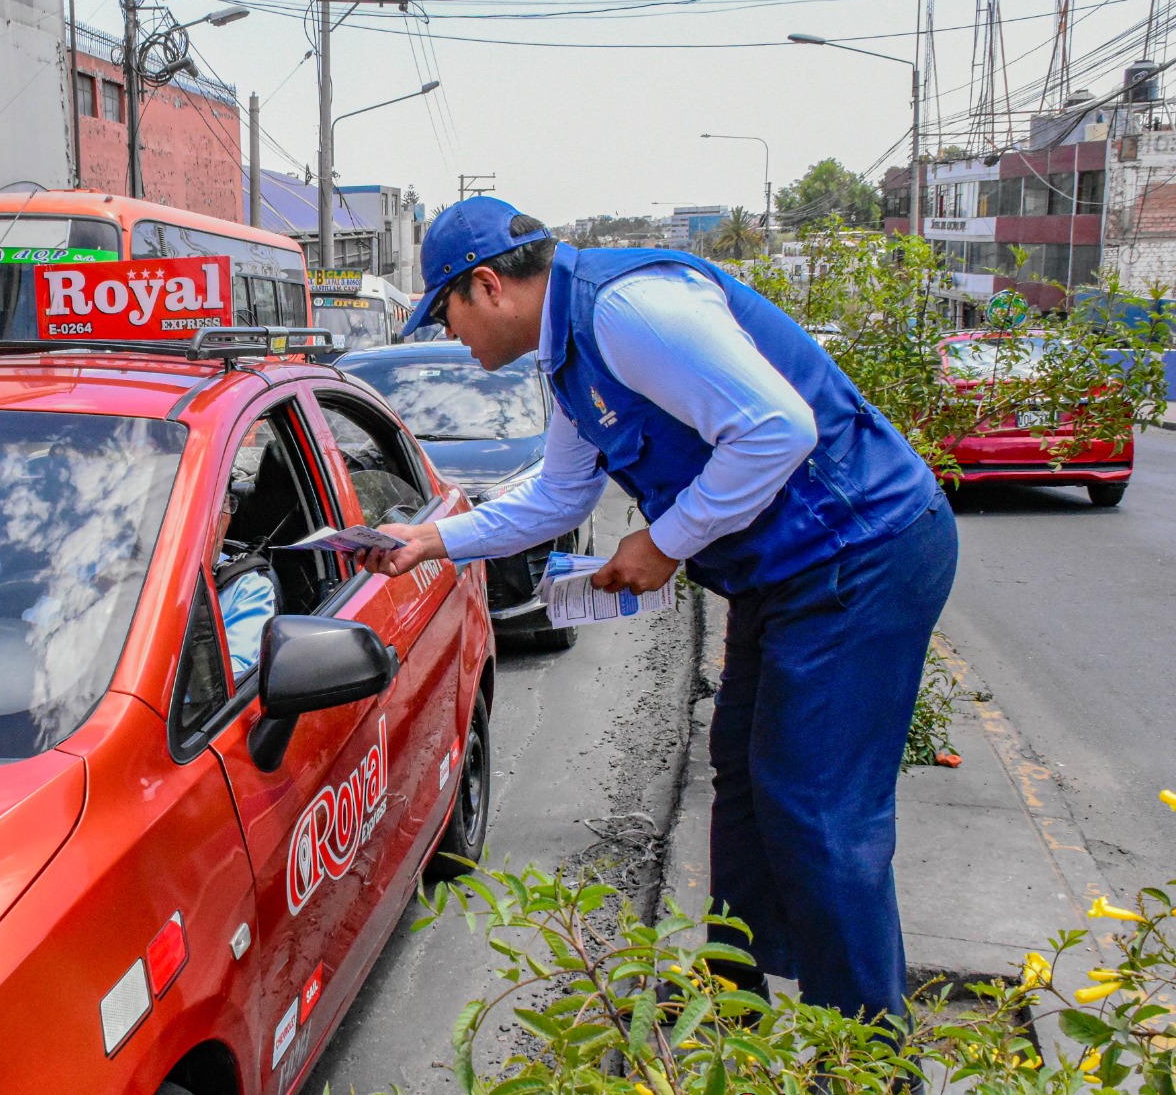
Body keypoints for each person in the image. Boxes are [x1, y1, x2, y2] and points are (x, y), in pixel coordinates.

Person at [362, 196, 958, 1029]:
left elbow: (776, 429)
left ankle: (867, 1061)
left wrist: (666, 541)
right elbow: (559, 495)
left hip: (860, 553)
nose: (448, 335)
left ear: (489, 286)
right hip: (787, 578)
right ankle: (735, 1007)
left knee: (821, 811)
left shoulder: (626, 311)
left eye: (446, 313)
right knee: (746, 779)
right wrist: (431, 540)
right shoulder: (565, 356)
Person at [213, 491, 276, 677]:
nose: (212, 520)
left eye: (220, 503)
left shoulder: (247, 585)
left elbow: (232, 679)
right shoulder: (131, 568)